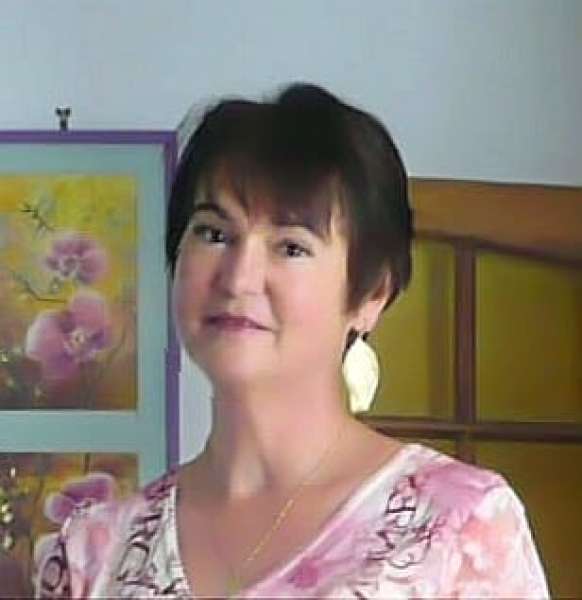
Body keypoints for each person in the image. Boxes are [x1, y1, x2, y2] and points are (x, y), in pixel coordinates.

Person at [35, 83, 549, 598]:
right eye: (214, 234)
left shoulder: (458, 527)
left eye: (290, 247)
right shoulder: (93, 550)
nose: (238, 278)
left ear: (371, 293)